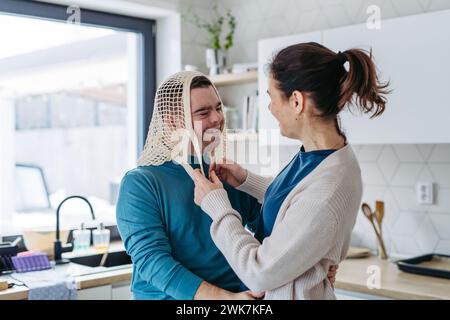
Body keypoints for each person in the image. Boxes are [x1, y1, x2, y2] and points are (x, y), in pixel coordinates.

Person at [116, 71, 338, 300]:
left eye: (218, 108)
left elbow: (275, 224)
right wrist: (224, 299)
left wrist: (314, 261)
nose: (217, 119)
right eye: (203, 112)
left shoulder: (221, 174)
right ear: (173, 121)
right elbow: (152, 261)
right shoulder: (140, 184)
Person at [192, 42, 390, 300]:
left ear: (296, 101)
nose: (271, 108)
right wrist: (246, 180)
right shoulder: (316, 156)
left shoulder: (330, 185)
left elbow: (258, 271)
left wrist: (216, 205)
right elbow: (295, 205)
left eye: (272, 98)